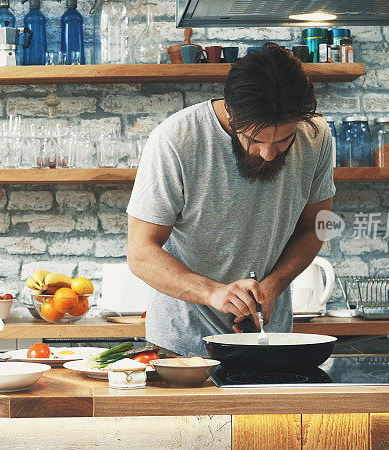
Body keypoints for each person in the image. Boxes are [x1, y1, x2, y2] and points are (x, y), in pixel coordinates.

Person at [126, 43, 335, 356]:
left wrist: (273, 285)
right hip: (180, 346)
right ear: (231, 111)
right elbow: (141, 252)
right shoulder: (176, 140)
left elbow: (316, 228)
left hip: (268, 340)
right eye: (255, 140)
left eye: (283, 140)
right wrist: (214, 293)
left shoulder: (316, 136)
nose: (268, 153)